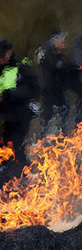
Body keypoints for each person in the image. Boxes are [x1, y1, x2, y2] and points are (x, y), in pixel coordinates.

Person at [0, 38, 40, 184]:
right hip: (4, 116)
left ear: (9, 52)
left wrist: (10, 93)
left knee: (17, 147)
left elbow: (34, 89)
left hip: (19, 116)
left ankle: (21, 179)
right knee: (4, 149)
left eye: (2, 57)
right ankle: (5, 180)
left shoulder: (22, 65)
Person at [37, 31, 71, 135]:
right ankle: (45, 135)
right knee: (49, 111)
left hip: (58, 88)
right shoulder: (47, 53)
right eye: (62, 42)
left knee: (64, 109)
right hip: (49, 88)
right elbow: (53, 68)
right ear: (56, 41)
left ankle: (60, 132)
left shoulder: (58, 54)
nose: (64, 45)